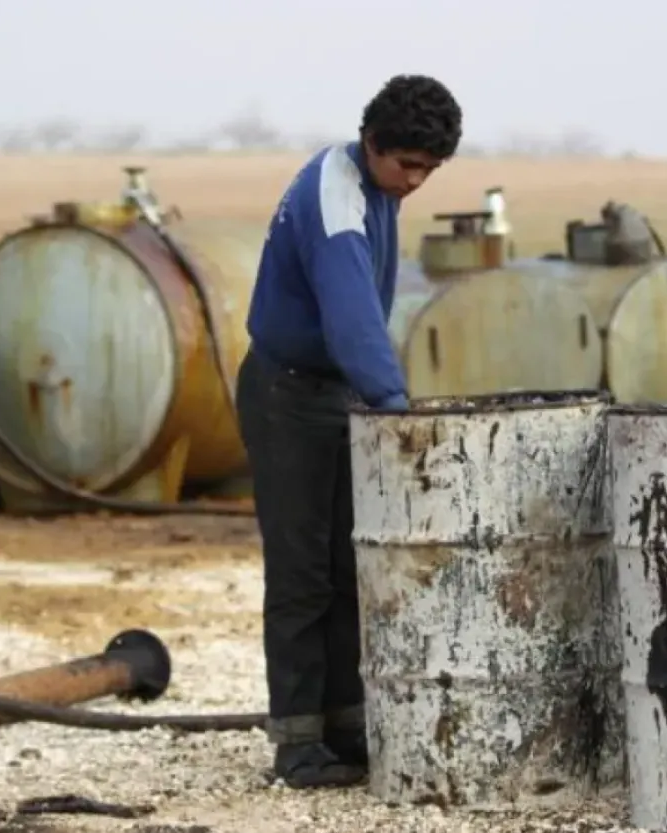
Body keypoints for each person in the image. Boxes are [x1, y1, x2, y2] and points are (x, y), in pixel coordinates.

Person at [235, 74, 463, 789]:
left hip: (332, 390)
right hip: (288, 392)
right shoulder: (335, 196)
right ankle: (298, 742)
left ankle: (344, 724)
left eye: (430, 169)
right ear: (373, 143)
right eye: (408, 165)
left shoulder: (375, 187)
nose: (416, 181)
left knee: (345, 562)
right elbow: (350, 313)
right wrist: (394, 406)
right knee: (302, 570)